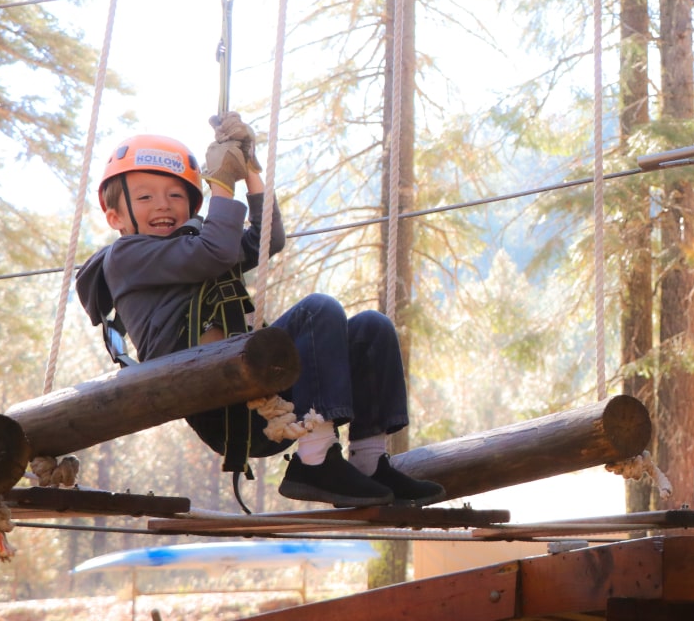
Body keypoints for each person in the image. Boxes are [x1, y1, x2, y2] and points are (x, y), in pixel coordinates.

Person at [76, 115, 443, 508]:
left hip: (257, 391)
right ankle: (316, 459)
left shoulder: (197, 244)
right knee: (317, 312)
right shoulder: (127, 256)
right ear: (115, 216)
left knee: (372, 328)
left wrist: (249, 168)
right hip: (214, 399)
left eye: (176, 196)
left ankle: (369, 461)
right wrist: (221, 182)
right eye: (146, 197)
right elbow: (215, 249)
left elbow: (268, 239)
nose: (163, 205)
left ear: (193, 205)